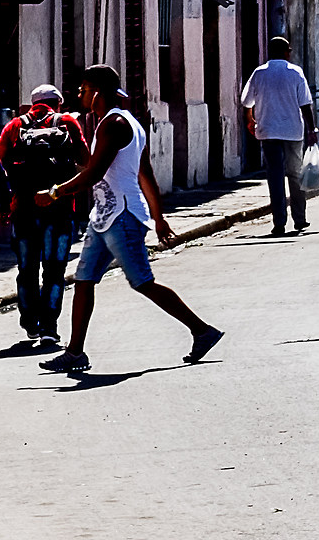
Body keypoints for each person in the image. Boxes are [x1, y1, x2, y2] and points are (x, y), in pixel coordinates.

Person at [34, 64, 222, 375]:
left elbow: (95, 173)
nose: (80, 95)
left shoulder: (115, 124)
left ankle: (202, 331)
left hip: (122, 215)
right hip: (105, 216)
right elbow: (144, 174)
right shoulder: (129, 123)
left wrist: (55, 192)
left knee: (142, 281)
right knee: (83, 280)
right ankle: (75, 352)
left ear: (97, 93)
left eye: (83, 90)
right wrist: (158, 217)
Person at [0, 84, 85, 347]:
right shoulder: (67, 122)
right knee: (55, 270)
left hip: (24, 209)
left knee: (26, 269)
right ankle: (49, 327)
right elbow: (85, 159)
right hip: (59, 209)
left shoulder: (14, 126)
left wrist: (5, 205)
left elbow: (0, 166)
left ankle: (30, 323)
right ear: (58, 103)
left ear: (32, 104)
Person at [241, 36, 317, 236]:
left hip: (268, 131)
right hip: (292, 131)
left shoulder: (259, 73)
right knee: (295, 175)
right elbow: (305, 104)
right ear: (286, 52)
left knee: (275, 177)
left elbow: (247, 102)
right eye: (289, 50)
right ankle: (299, 219)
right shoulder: (295, 72)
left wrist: (250, 119)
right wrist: (312, 129)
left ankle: (279, 223)